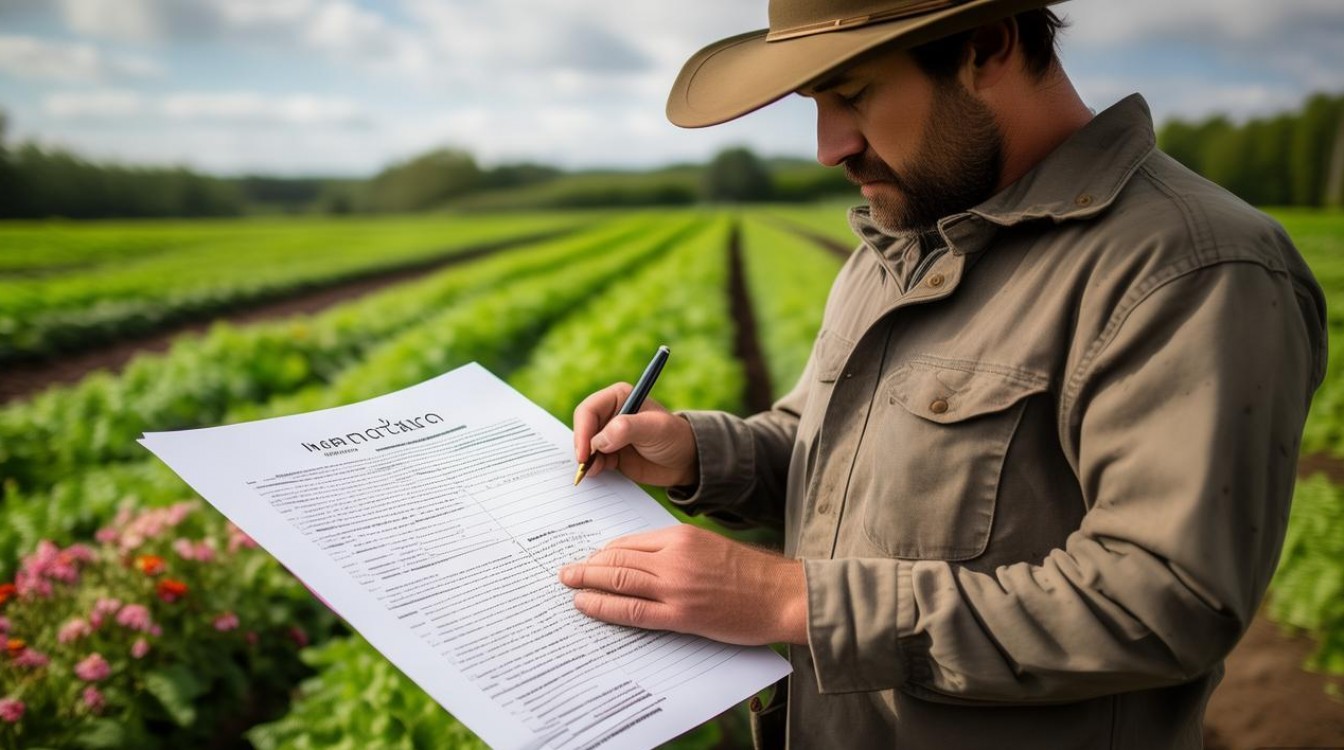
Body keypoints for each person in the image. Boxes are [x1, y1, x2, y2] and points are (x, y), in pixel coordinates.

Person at [558, 0, 1329, 747]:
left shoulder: (1189, 269)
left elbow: (1165, 601)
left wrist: (789, 600)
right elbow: (826, 448)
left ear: (987, 46)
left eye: (854, 95)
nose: (829, 146)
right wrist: (696, 451)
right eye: (816, 102)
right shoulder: (897, 244)